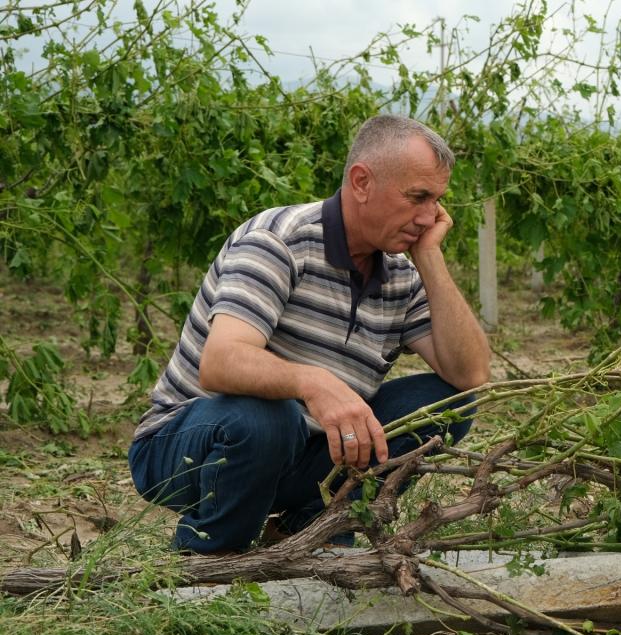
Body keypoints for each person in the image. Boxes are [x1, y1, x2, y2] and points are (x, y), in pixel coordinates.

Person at [128, 115, 491, 554]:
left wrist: (429, 256)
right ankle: (209, 557)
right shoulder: (278, 240)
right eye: (418, 197)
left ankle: (311, 524)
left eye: (437, 201)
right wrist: (315, 382)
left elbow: (470, 372)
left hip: (300, 453)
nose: (430, 215)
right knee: (267, 419)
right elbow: (221, 361)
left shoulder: (400, 274)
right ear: (361, 182)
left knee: (446, 404)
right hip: (185, 448)